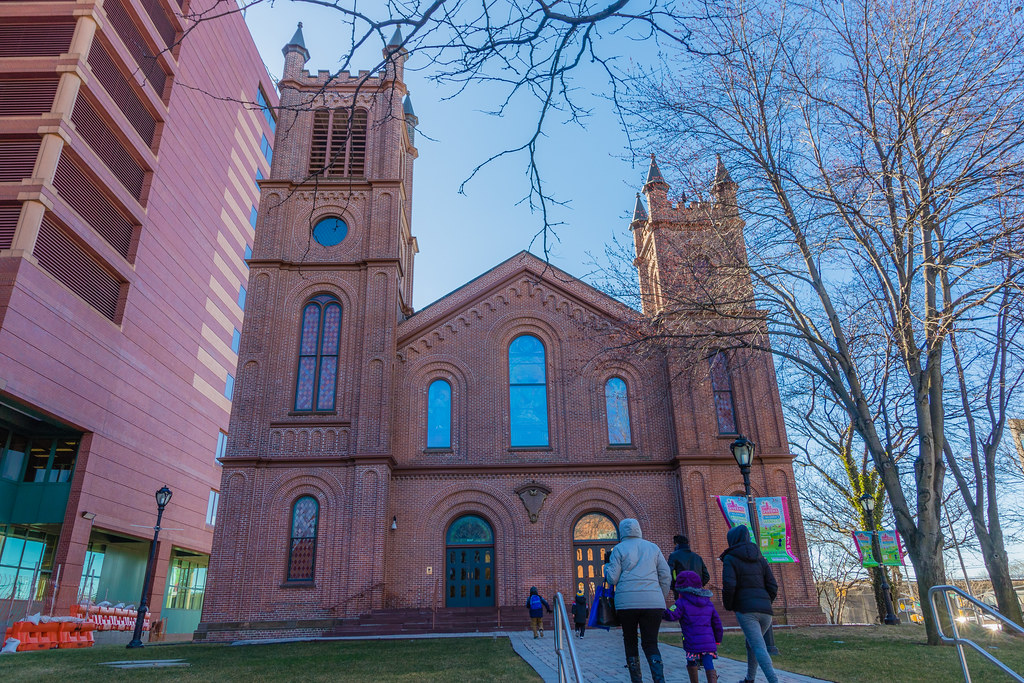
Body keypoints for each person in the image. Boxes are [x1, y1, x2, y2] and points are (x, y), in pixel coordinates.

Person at [604, 518, 672, 683]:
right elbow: (665, 575)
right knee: (651, 643)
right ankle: (659, 679)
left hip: (627, 604)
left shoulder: (618, 549)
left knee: (630, 640)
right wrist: (659, 597)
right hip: (653, 603)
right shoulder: (653, 547)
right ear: (638, 529)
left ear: (622, 531)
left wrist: (606, 567)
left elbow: (612, 579)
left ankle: (637, 679)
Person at [721, 525, 779, 683]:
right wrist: (767, 602)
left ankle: (773, 680)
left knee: (759, 646)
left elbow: (729, 586)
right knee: (752, 643)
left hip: (746, 611)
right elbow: (773, 586)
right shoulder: (761, 558)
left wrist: (729, 605)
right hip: (766, 611)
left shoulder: (730, 558)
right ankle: (749, 678)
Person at [664, 570, 723, 683]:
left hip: (691, 641)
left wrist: (661, 611)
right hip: (708, 641)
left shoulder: (681, 603)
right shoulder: (708, 602)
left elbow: (671, 615)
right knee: (708, 663)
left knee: (691, 661)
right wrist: (718, 639)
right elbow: (717, 623)